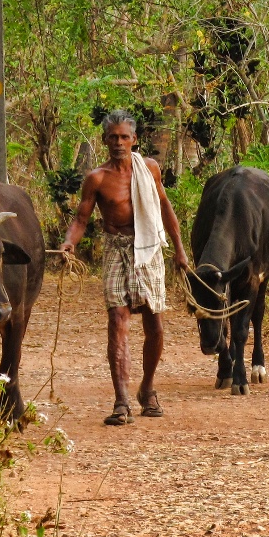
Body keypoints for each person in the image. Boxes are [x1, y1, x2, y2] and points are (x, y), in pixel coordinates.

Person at [61, 111, 189, 425]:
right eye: (113, 137)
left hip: (148, 248)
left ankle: (147, 388)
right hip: (115, 249)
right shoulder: (97, 178)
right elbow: (81, 219)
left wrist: (180, 251)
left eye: (124, 137)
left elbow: (164, 206)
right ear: (104, 140)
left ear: (134, 140)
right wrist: (69, 243)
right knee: (117, 321)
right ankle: (121, 401)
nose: (118, 142)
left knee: (154, 324)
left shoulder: (149, 169)